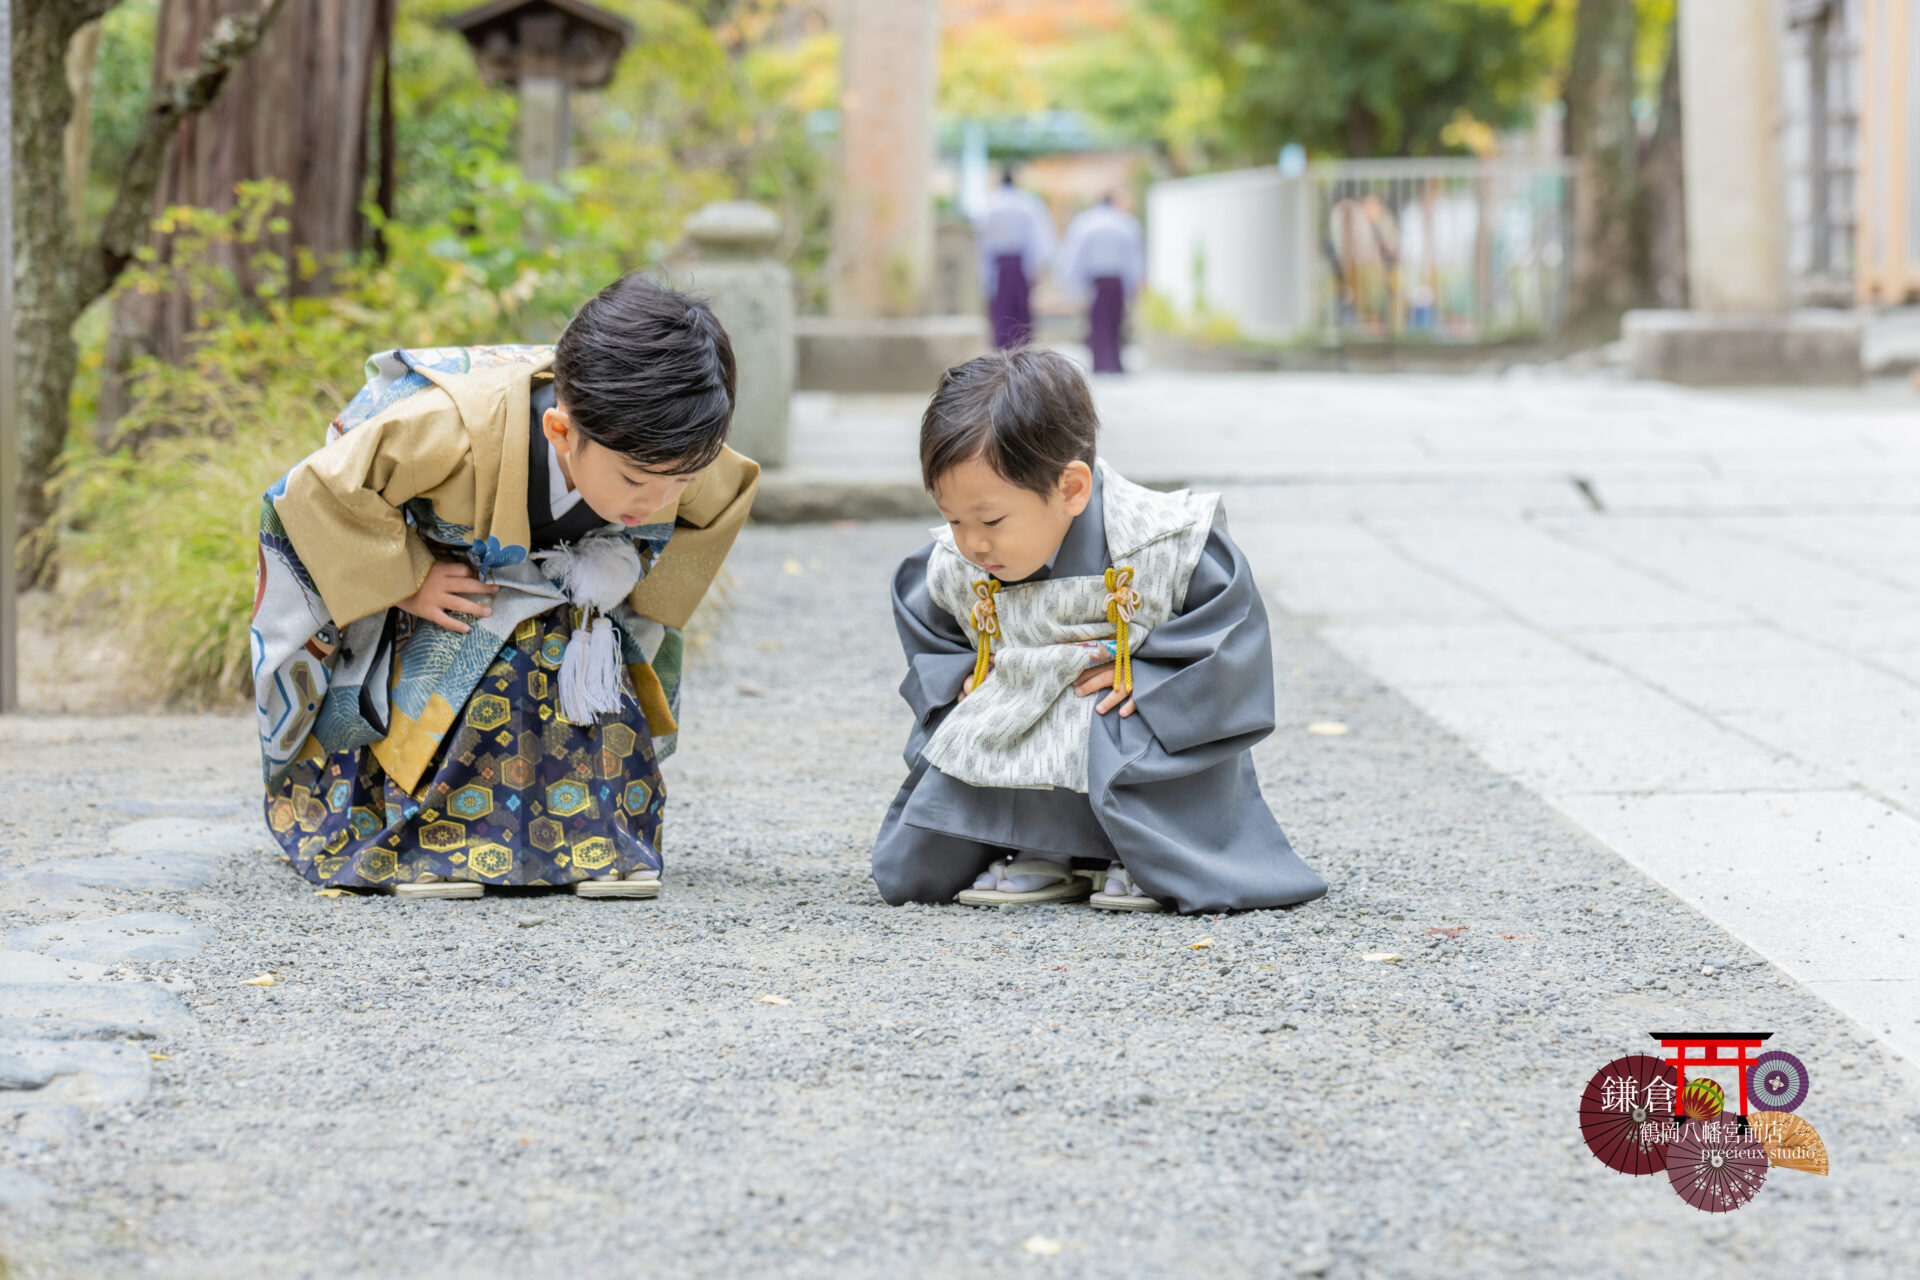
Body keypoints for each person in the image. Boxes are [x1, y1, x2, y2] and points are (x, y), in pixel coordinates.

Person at [252, 274, 758, 900]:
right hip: (449, 597)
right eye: (634, 480)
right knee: (500, 648)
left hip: (581, 596)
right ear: (561, 432)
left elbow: (718, 505)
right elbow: (315, 493)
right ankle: (431, 844)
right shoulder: (448, 428)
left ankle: (600, 839)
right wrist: (404, 578)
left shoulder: (676, 449)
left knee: (599, 671)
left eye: (678, 482)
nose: (657, 501)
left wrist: (629, 594)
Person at [871, 348, 1327, 915]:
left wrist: (1154, 674)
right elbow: (932, 637)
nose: (973, 543)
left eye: (990, 521)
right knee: (989, 740)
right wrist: (963, 677)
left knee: (1119, 714)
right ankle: (1039, 850)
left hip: (1119, 708)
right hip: (1020, 705)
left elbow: (1227, 633)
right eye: (955, 519)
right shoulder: (954, 563)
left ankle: (1136, 856)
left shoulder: (1166, 541)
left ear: (1071, 489)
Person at [1056, 192, 1145, 374]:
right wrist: (1136, 282)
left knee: (1098, 321)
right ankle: (1114, 361)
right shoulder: (1125, 223)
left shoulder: (1085, 223)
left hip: (1097, 281)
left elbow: (1075, 255)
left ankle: (1100, 361)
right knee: (1115, 321)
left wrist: (1073, 285)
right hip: (1116, 281)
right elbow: (1134, 257)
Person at [975, 167, 1056, 350]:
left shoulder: (990, 205)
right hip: (1019, 264)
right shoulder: (1027, 204)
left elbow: (983, 243)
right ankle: (1023, 351)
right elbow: (1039, 239)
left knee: (1002, 309)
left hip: (1000, 265)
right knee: (1019, 309)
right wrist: (1037, 267)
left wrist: (983, 274)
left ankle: (1001, 350)